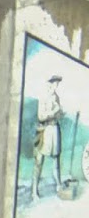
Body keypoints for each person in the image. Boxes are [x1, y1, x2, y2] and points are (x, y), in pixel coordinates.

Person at [32, 73, 64, 201]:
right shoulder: (43, 97)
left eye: (57, 83)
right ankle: (34, 191)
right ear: (50, 84)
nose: (56, 85)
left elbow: (58, 115)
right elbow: (41, 116)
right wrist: (53, 112)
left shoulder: (56, 97)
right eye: (55, 83)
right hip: (45, 130)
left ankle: (58, 185)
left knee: (56, 158)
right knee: (39, 161)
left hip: (55, 129)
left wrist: (60, 112)